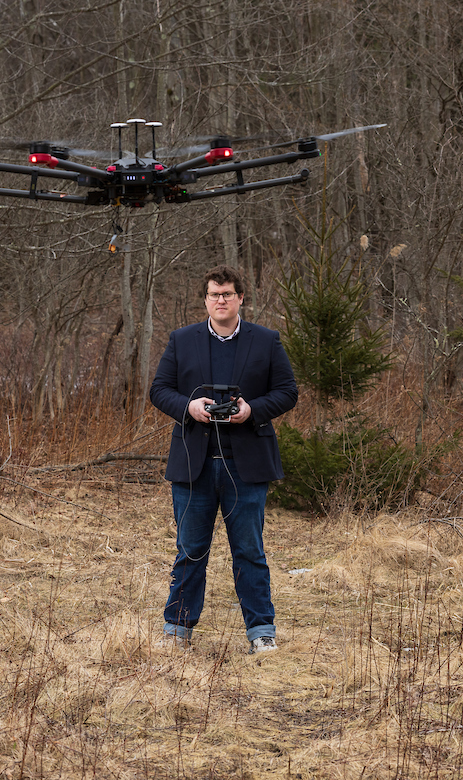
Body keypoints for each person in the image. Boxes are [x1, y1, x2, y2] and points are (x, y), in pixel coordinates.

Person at [149, 265, 298, 654]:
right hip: (193, 465)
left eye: (227, 294)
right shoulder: (182, 340)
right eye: (214, 294)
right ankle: (177, 629)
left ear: (240, 298)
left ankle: (261, 631)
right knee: (190, 550)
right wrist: (189, 407)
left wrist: (251, 411)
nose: (221, 300)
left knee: (249, 551)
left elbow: (287, 391)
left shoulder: (266, 340)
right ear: (205, 299)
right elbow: (159, 389)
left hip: (246, 466)